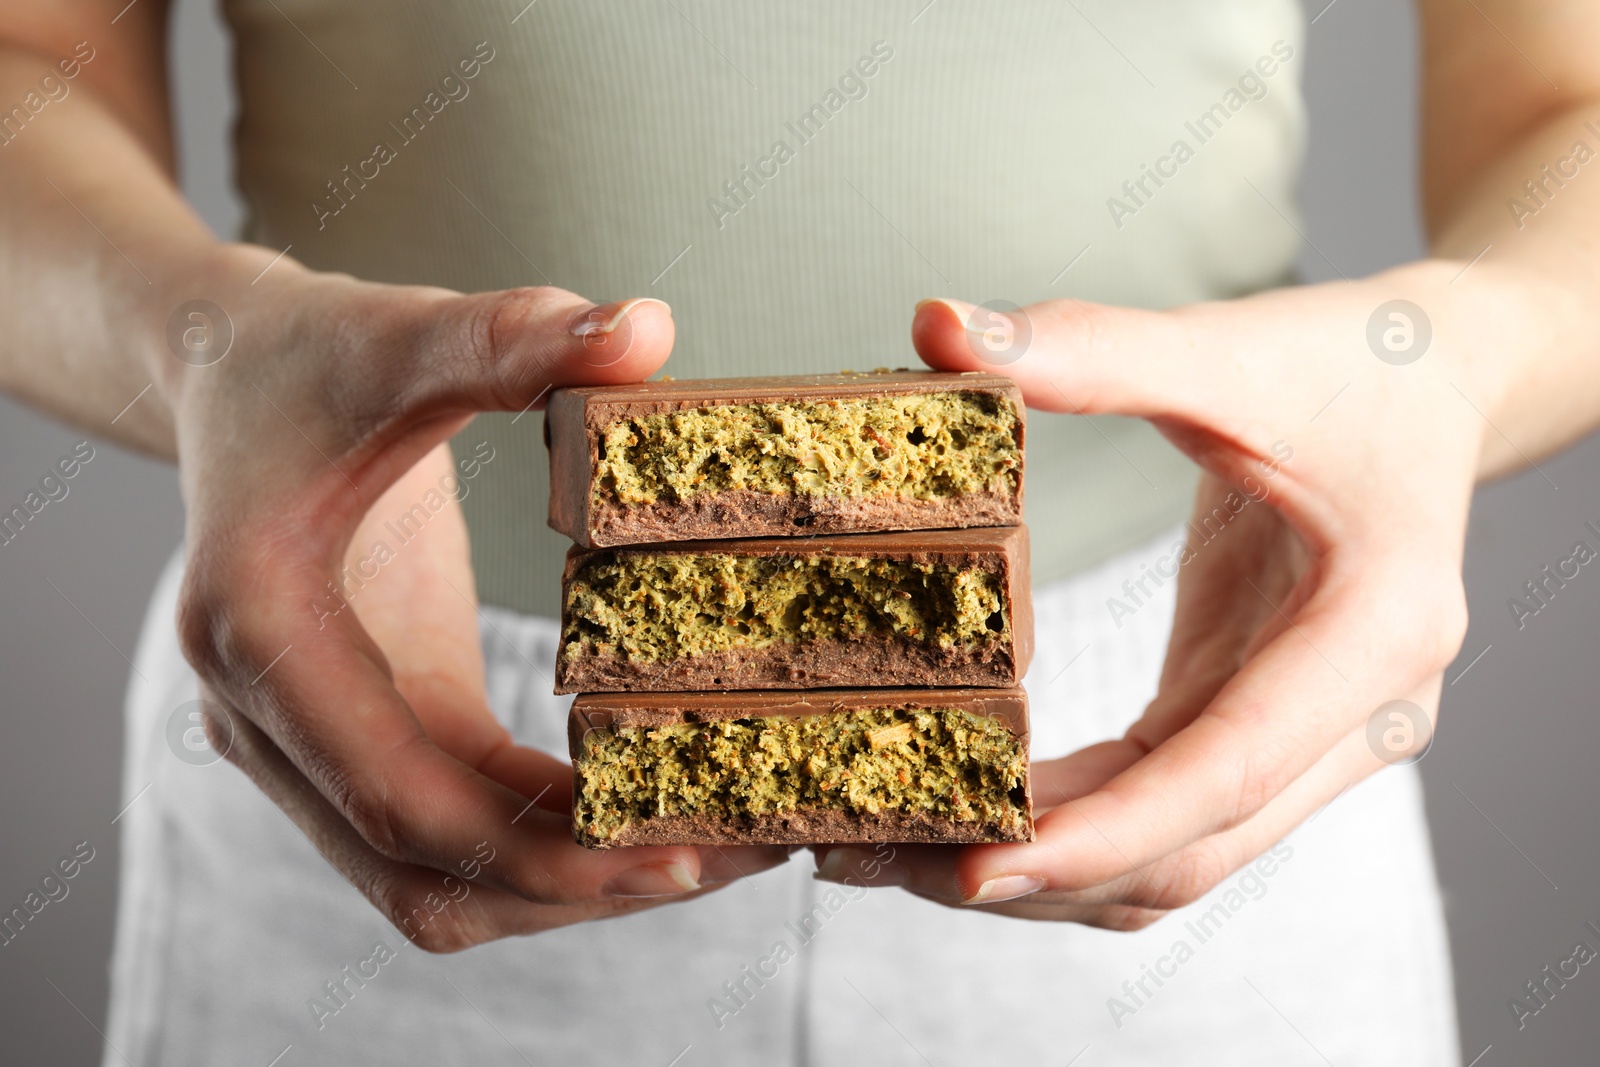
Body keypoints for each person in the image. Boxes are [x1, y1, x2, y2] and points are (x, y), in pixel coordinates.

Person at [3, 0, 1597, 1062]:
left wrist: (1440, 366)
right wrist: (204, 342)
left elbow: (1569, 100)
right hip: (364, 713)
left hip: (1192, 728)